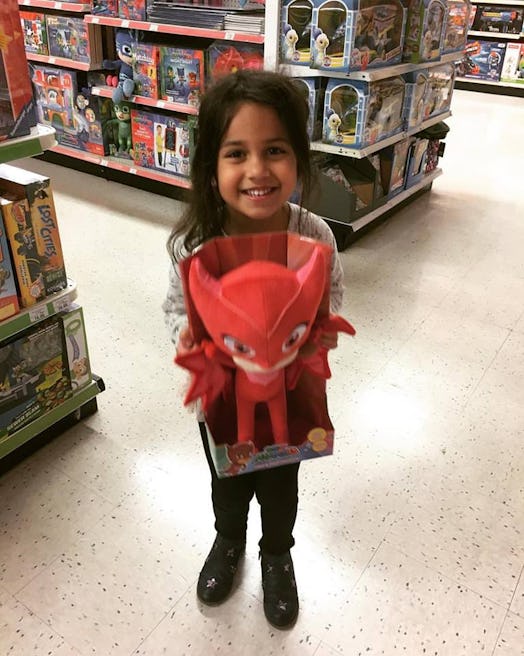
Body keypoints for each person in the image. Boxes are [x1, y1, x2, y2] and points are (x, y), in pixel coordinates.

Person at [162, 70, 345, 629]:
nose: (257, 170)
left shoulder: (314, 236)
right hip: (221, 400)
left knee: (281, 483)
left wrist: (322, 333)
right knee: (228, 479)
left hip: (287, 399)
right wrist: (188, 341)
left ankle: (277, 554)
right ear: (211, 167)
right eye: (236, 153)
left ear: (298, 160)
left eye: (275, 150)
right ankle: (228, 541)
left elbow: (330, 296)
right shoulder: (197, 244)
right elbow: (174, 309)